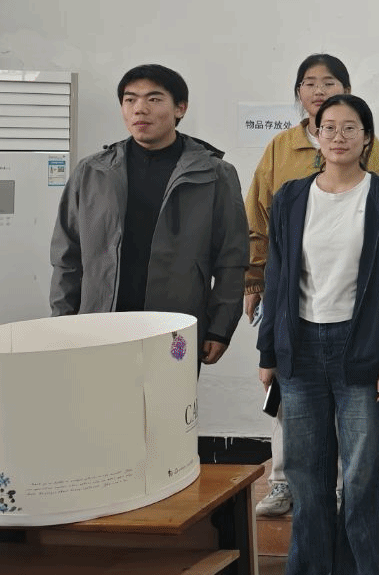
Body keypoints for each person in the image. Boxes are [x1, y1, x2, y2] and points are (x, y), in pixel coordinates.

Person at [256, 94, 379, 575]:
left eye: (351, 128)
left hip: (361, 346)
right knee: (307, 474)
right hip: (299, 347)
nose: (339, 136)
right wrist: (268, 349)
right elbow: (277, 276)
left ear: (367, 137)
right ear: (315, 135)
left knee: (362, 475)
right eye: (329, 127)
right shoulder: (291, 197)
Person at [246, 53, 379, 518]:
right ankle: (283, 483)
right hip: (296, 308)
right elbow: (260, 217)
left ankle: (340, 496)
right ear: (299, 94)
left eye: (329, 82)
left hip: (354, 316)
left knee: (355, 435)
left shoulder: (374, 156)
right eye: (309, 83)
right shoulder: (280, 147)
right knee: (291, 414)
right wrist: (253, 279)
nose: (318, 90)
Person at [50, 64, 248, 365]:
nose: (139, 109)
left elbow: (231, 259)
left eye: (154, 99)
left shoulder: (214, 174)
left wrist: (221, 328)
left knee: (166, 398)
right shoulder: (92, 172)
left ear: (180, 108)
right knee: (98, 396)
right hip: (99, 326)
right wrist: (62, 322)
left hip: (174, 328)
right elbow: (67, 256)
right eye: (130, 100)